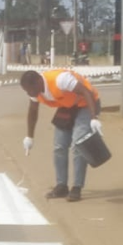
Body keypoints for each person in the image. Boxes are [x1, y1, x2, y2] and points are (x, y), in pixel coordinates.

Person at [20, 68, 102, 202]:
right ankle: (61, 186)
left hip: (87, 104)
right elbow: (33, 111)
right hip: (68, 106)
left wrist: (94, 118)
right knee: (59, 145)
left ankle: (77, 187)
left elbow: (87, 92)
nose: (29, 93)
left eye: (29, 90)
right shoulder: (34, 90)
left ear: (37, 82)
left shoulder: (61, 80)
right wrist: (30, 136)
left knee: (78, 143)